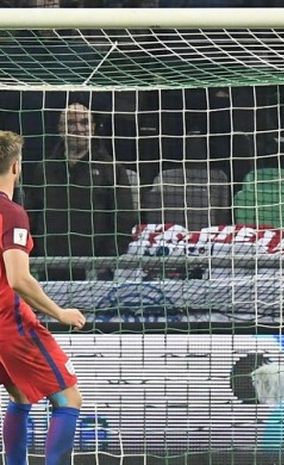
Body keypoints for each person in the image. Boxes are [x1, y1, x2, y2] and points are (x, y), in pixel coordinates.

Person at [0, 131, 86, 465]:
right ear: (17, 167)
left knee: (20, 393)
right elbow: (19, 278)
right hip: (11, 324)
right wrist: (59, 312)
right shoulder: (12, 213)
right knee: (69, 399)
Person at [26, 102, 135, 280]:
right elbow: (31, 215)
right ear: (61, 129)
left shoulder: (111, 169)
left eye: (84, 122)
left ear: (93, 128)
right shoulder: (44, 169)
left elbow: (124, 218)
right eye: (71, 123)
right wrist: (35, 256)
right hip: (48, 267)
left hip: (95, 270)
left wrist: (107, 260)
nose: (78, 129)